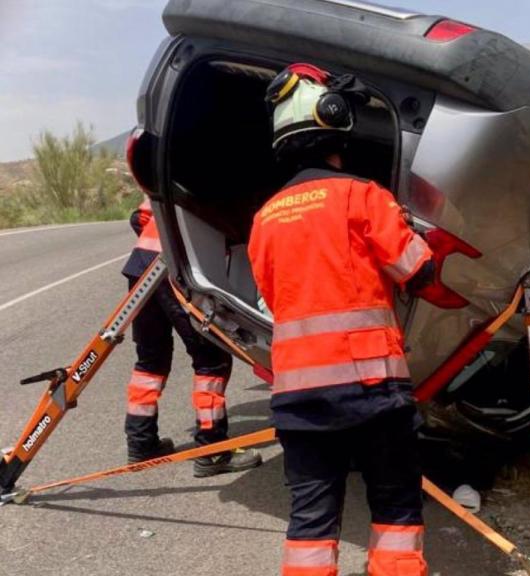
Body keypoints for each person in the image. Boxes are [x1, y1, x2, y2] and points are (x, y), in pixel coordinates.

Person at [249, 63, 441, 576]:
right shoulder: (361, 196)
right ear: (335, 121)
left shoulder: (264, 219)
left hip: (297, 399)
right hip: (371, 388)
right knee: (395, 509)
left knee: (310, 524)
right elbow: (417, 271)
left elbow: (275, 299)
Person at [122, 197, 263, 477]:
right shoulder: (220, 182)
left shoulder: (171, 172)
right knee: (212, 359)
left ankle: (141, 443)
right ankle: (212, 451)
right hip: (178, 267)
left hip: (142, 265)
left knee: (150, 361)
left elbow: (137, 217)